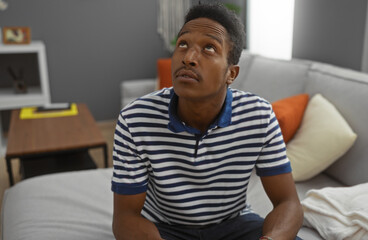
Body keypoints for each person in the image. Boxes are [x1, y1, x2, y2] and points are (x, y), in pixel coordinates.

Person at [111, 3, 303, 240]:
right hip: (162, 228)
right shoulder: (135, 119)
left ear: (231, 74)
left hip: (235, 223)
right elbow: (125, 218)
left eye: (209, 48)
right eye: (183, 44)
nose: (189, 58)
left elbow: (288, 202)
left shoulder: (259, 116)